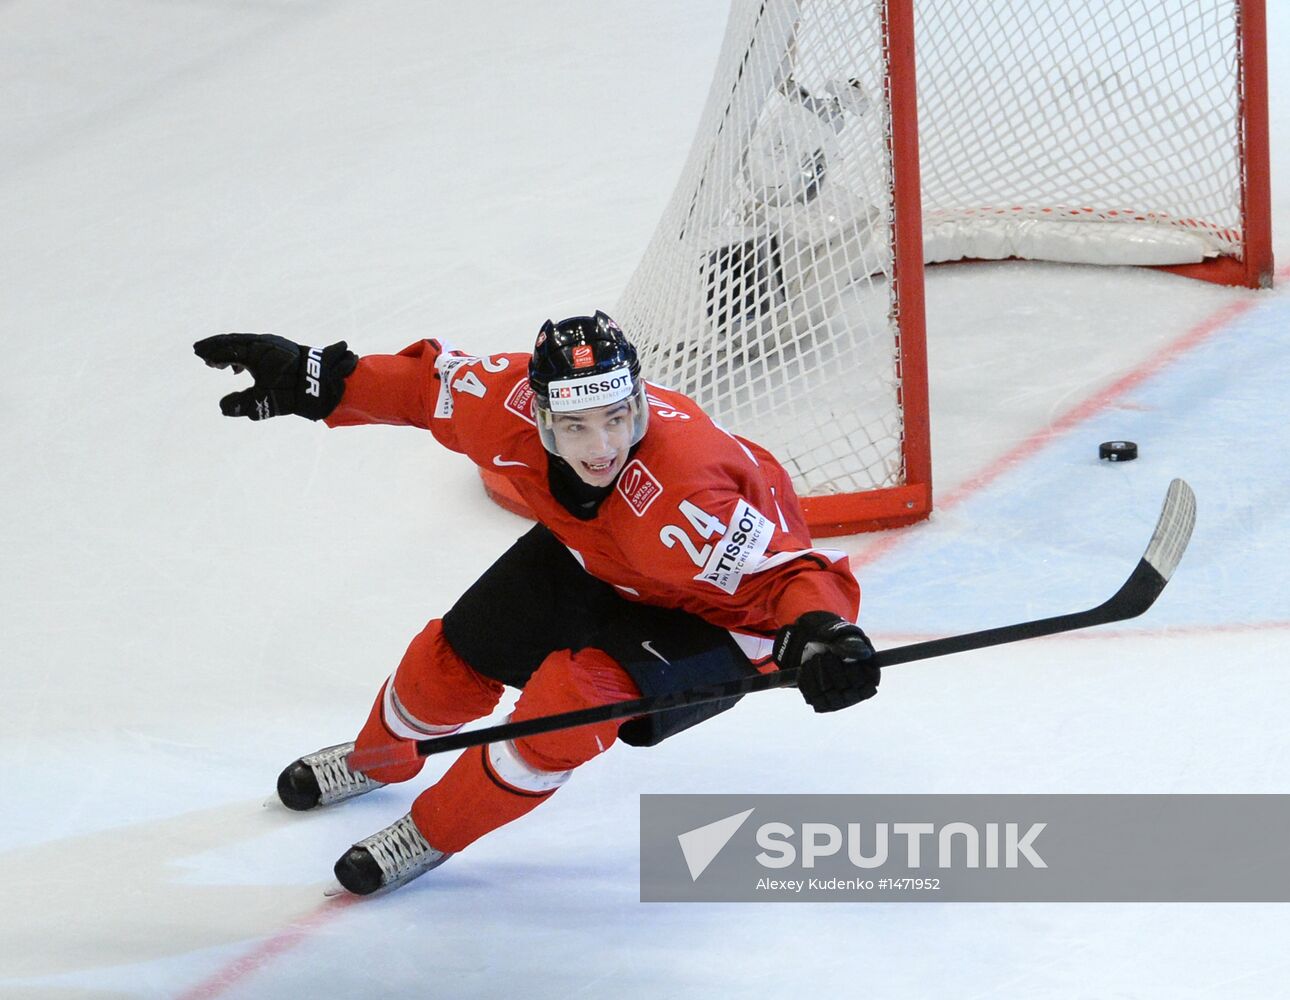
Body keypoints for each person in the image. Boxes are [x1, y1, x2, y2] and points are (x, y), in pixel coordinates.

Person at [193, 311, 879, 895]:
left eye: (617, 418)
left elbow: (791, 577)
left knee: (561, 711)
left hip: (719, 619)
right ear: (540, 415)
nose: (602, 447)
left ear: (639, 403)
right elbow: (423, 388)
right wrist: (320, 380)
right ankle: (378, 758)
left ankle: (430, 832)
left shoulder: (692, 496)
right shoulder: (505, 404)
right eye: (575, 426)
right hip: (599, 557)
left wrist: (822, 632)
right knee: (446, 664)